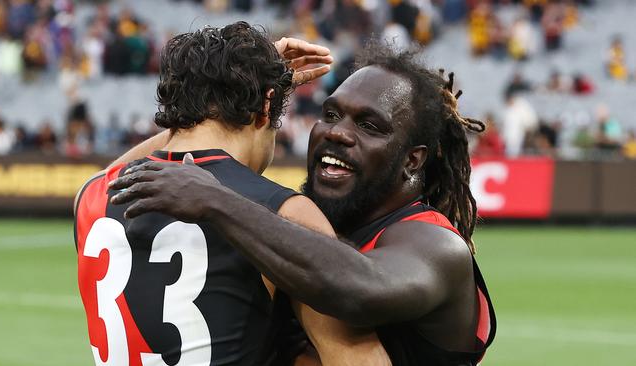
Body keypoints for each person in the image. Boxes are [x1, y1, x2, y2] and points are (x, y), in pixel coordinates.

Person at [109, 42, 496, 365]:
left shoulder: (435, 245)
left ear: (413, 160)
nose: (337, 133)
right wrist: (228, 104)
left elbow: (358, 288)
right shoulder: (297, 229)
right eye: (330, 114)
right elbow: (104, 186)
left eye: (369, 126)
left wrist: (212, 198)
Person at [74, 22, 390, 366]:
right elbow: (355, 357)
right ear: (268, 106)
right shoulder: (287, 212)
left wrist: (190, 115)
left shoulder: (92, 199)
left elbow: (107, 174)